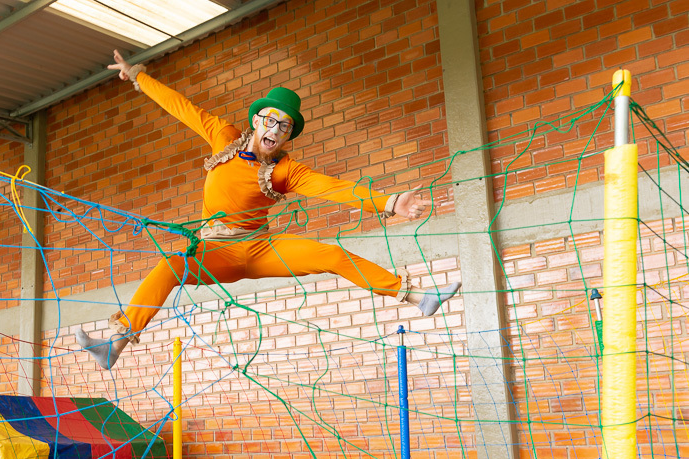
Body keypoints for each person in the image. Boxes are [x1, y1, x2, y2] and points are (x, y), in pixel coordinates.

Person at [77, 50, 461, 369]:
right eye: (271, 121)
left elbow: (331, 188)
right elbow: (184, 109)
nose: (276, 132)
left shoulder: (284, 171)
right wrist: (138, 76)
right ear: (256, 121)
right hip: (217, 251)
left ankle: (418, 298)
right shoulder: (223, 138)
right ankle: (116, 343)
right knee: (168, 267)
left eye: (286, 128)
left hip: (259, 249)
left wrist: (390, 202)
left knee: (331, 255)